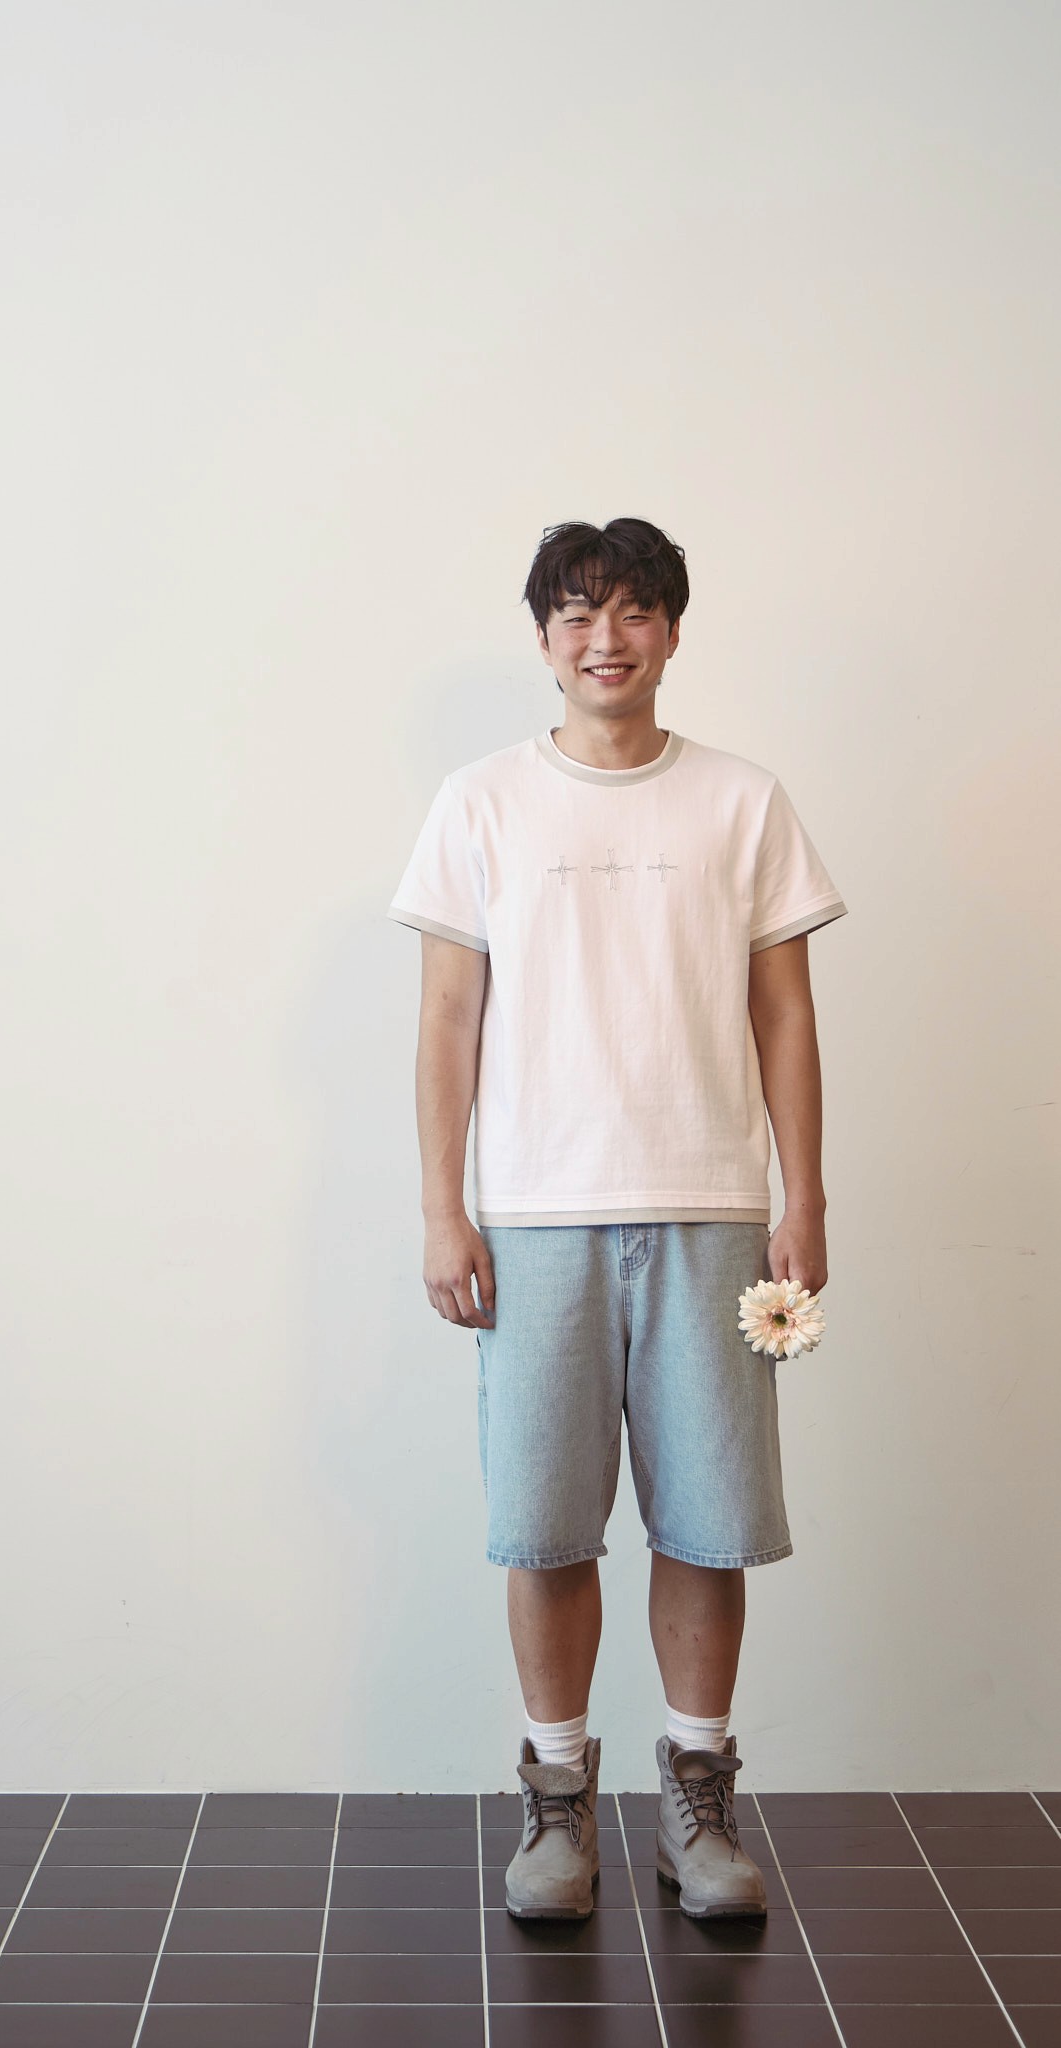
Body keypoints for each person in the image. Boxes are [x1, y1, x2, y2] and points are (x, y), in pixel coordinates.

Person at [387, 517, 847, 1922]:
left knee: (708, 1524)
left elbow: (784, 1011)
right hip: (536, 1218)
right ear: (543, 639)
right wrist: (444, 1210)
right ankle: (558, 1804)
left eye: (635, 611)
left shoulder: (742, 801)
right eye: (579, 614)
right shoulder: (482, 803)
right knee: (546, 1529)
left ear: (673, 632)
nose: (607, 638)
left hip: (712, 1209)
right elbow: (447, 1019)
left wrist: (805, 1195)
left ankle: (699, 1803)